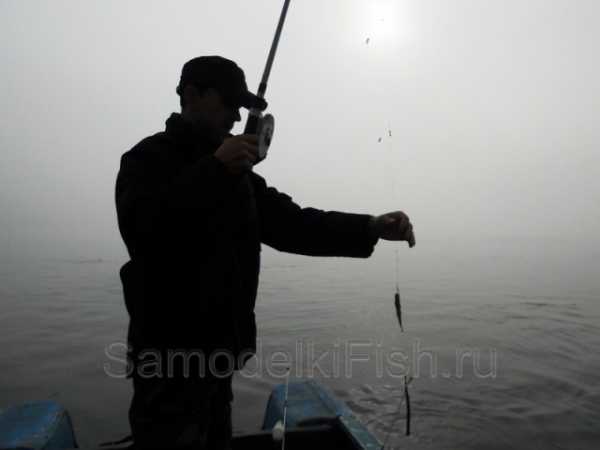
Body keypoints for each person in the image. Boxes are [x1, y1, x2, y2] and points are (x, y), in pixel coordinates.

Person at [115, 55, 415, 450]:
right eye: (229, 103)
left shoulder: (238, 177)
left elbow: (295, 224)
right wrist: (215, 169)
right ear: (191, 95)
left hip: (218, 360)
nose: (237, 117)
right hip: (166, 363)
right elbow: (144, 231)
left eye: (242, 107)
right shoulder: (146, 159)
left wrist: (370, 226)